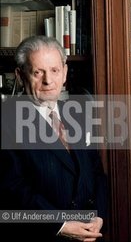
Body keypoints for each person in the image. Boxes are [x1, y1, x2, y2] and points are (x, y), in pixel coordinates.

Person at [0, 35, 107, 242]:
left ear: (65, 73)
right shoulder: (7, 120)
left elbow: (96, 171)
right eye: (38, 72)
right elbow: (11, 187)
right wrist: (61, 225)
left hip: (89, 234)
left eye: (54, 71)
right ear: (20, 76)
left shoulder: (77, 114)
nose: (48, 80)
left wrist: (99, 215)